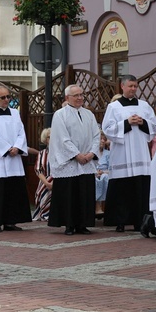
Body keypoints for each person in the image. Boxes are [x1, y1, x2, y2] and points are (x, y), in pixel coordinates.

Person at [103, 75, 156, 232]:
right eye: (130, 86)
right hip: (122, 153)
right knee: (122, 189)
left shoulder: (144, 105)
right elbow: (107, 129)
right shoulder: (113, 107)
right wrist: (127, 122)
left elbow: (155, 127)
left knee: (140, 188)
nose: (133, 89)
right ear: (122, 86)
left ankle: (139, 220)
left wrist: (143, 123)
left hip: (140, 152)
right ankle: (120, 221)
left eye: (135, 86)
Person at [48, 85, 101, 235]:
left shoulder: (89, 114)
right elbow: (62, 138)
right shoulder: (60, 114)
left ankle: (83, 224)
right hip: (70, 161)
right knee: (69, 194)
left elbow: (96, 135)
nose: (79, 98)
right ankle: (69, 225)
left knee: (84, 193)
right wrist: (76, 154)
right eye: (76, 95)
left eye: (81, 95)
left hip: (86, 160)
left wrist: (91, 153)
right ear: (67, 98)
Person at [0, 86, 32, 233]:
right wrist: (6, 149)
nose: (6, 100)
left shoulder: (15, 113)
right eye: (3, 98)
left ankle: (11, 221)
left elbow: (21, 132)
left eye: (8, 97)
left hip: (14, 159)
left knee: (13, 192)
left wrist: (17, 147)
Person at [32, 128, 52, 222]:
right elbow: (38, 171)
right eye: (49, 137)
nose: (52, 139)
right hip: (45, 180)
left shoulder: (62, 153)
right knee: (44, 188)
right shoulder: (41, 153)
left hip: (59, 179)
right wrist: (47, 184)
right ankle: (45, 213)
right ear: (45, 140)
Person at [95, 132, 110, 218]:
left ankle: (104, 206)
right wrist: (96, 172)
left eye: (104, 139)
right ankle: (97, 206)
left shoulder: (108, 153)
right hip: (94, 173)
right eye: (100, 139)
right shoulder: (92, 153)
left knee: (105, 178)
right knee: (95, 180)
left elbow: (111, 168)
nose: (102, 141)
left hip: (105, 173)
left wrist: (104, 172)